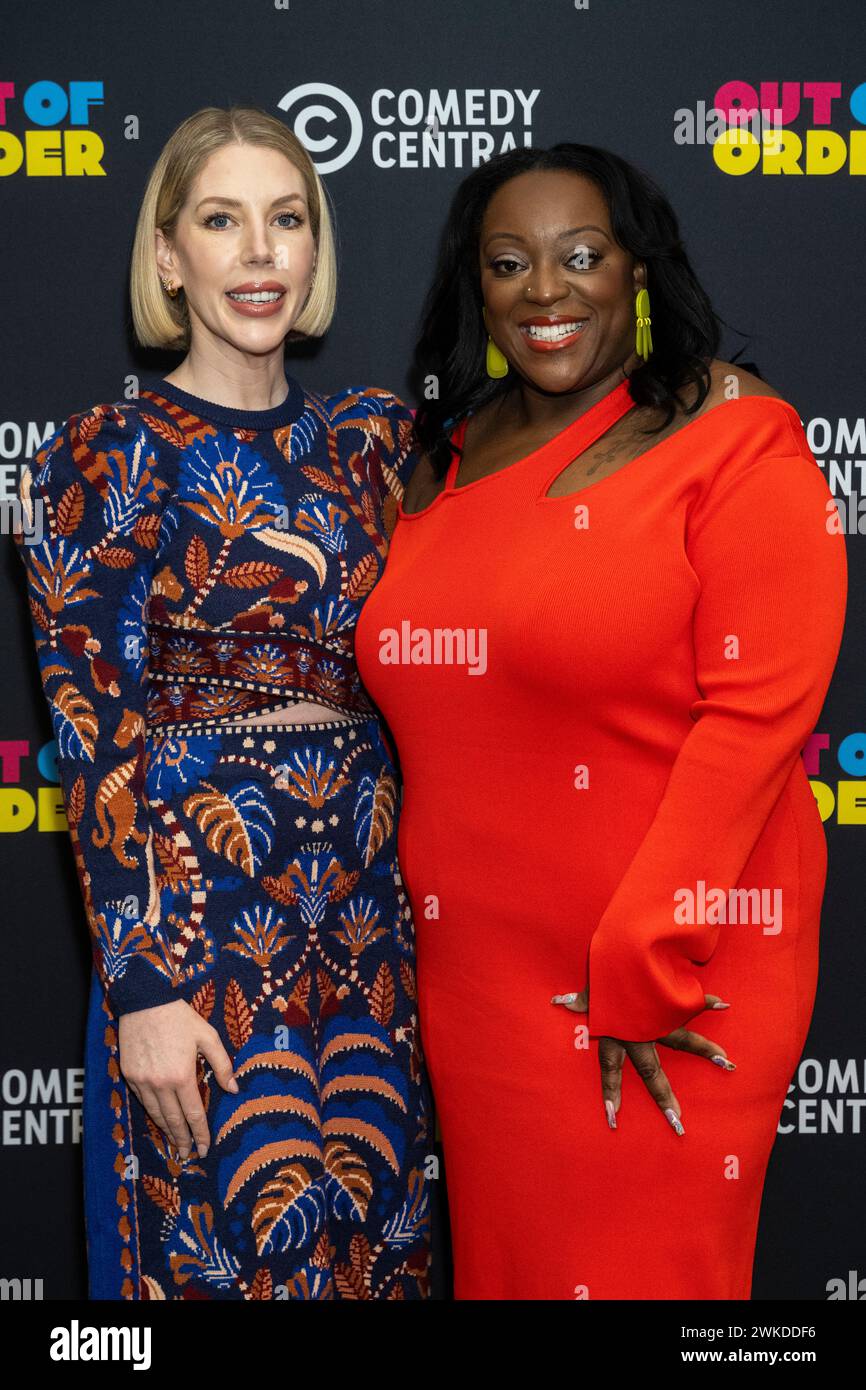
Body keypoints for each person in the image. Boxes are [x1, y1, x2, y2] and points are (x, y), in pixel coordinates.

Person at [353, 143, 848, 1299]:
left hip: (656, 985)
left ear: (637, 270)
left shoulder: (731, 434)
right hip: (477, 991)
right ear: (473, 289)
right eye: (509, 263)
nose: (545, 290)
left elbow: (759, 712)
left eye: (581, 256)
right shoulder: (441, 460)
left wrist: (648, 948)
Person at [14, 105, 432, 1301]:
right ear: (166, 256)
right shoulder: (102, 453)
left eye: (285, 220)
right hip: (197, 928)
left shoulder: (376, 447)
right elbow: (91, 729)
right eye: (220, 220)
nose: (258, 253)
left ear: (313, 250)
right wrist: (140, 984)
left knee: (364, 1248)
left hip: (366, 935)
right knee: (211, 1252)